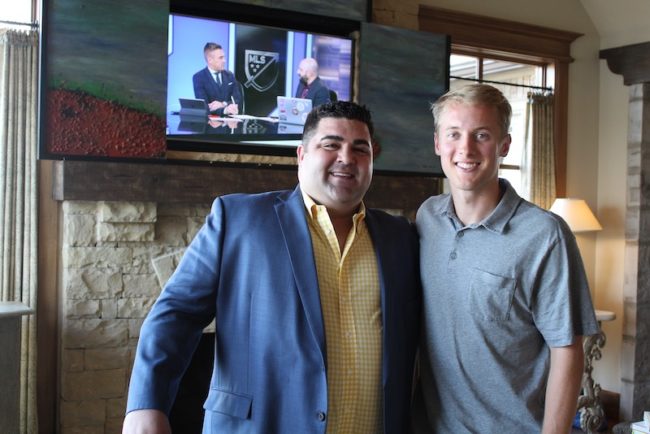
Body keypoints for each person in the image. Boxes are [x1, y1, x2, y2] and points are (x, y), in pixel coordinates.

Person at [122, 101, 421, 434]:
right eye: (331, 145)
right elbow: (176, 313)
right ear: (302, 155)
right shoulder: (237, 219)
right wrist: (146, 404)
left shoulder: (400, 237)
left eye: (360, 149)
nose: (347, 158)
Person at [411, 84, 599, 433]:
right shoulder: (427, 218)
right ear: (438, 143)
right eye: (453, 134)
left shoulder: (545, 235)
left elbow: (567, 350)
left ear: (504, 146)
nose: (464, 149)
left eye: (481, 135)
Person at [193, 42, 243, 116]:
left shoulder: (229, 75)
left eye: (224, 57)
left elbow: (238, 100)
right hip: (210, 124)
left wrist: (223, 104)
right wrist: (224, 110)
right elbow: (205, 107)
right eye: (221, 58)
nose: (224, 61)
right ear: (210, 60)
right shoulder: (199, 77)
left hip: (230, 123)